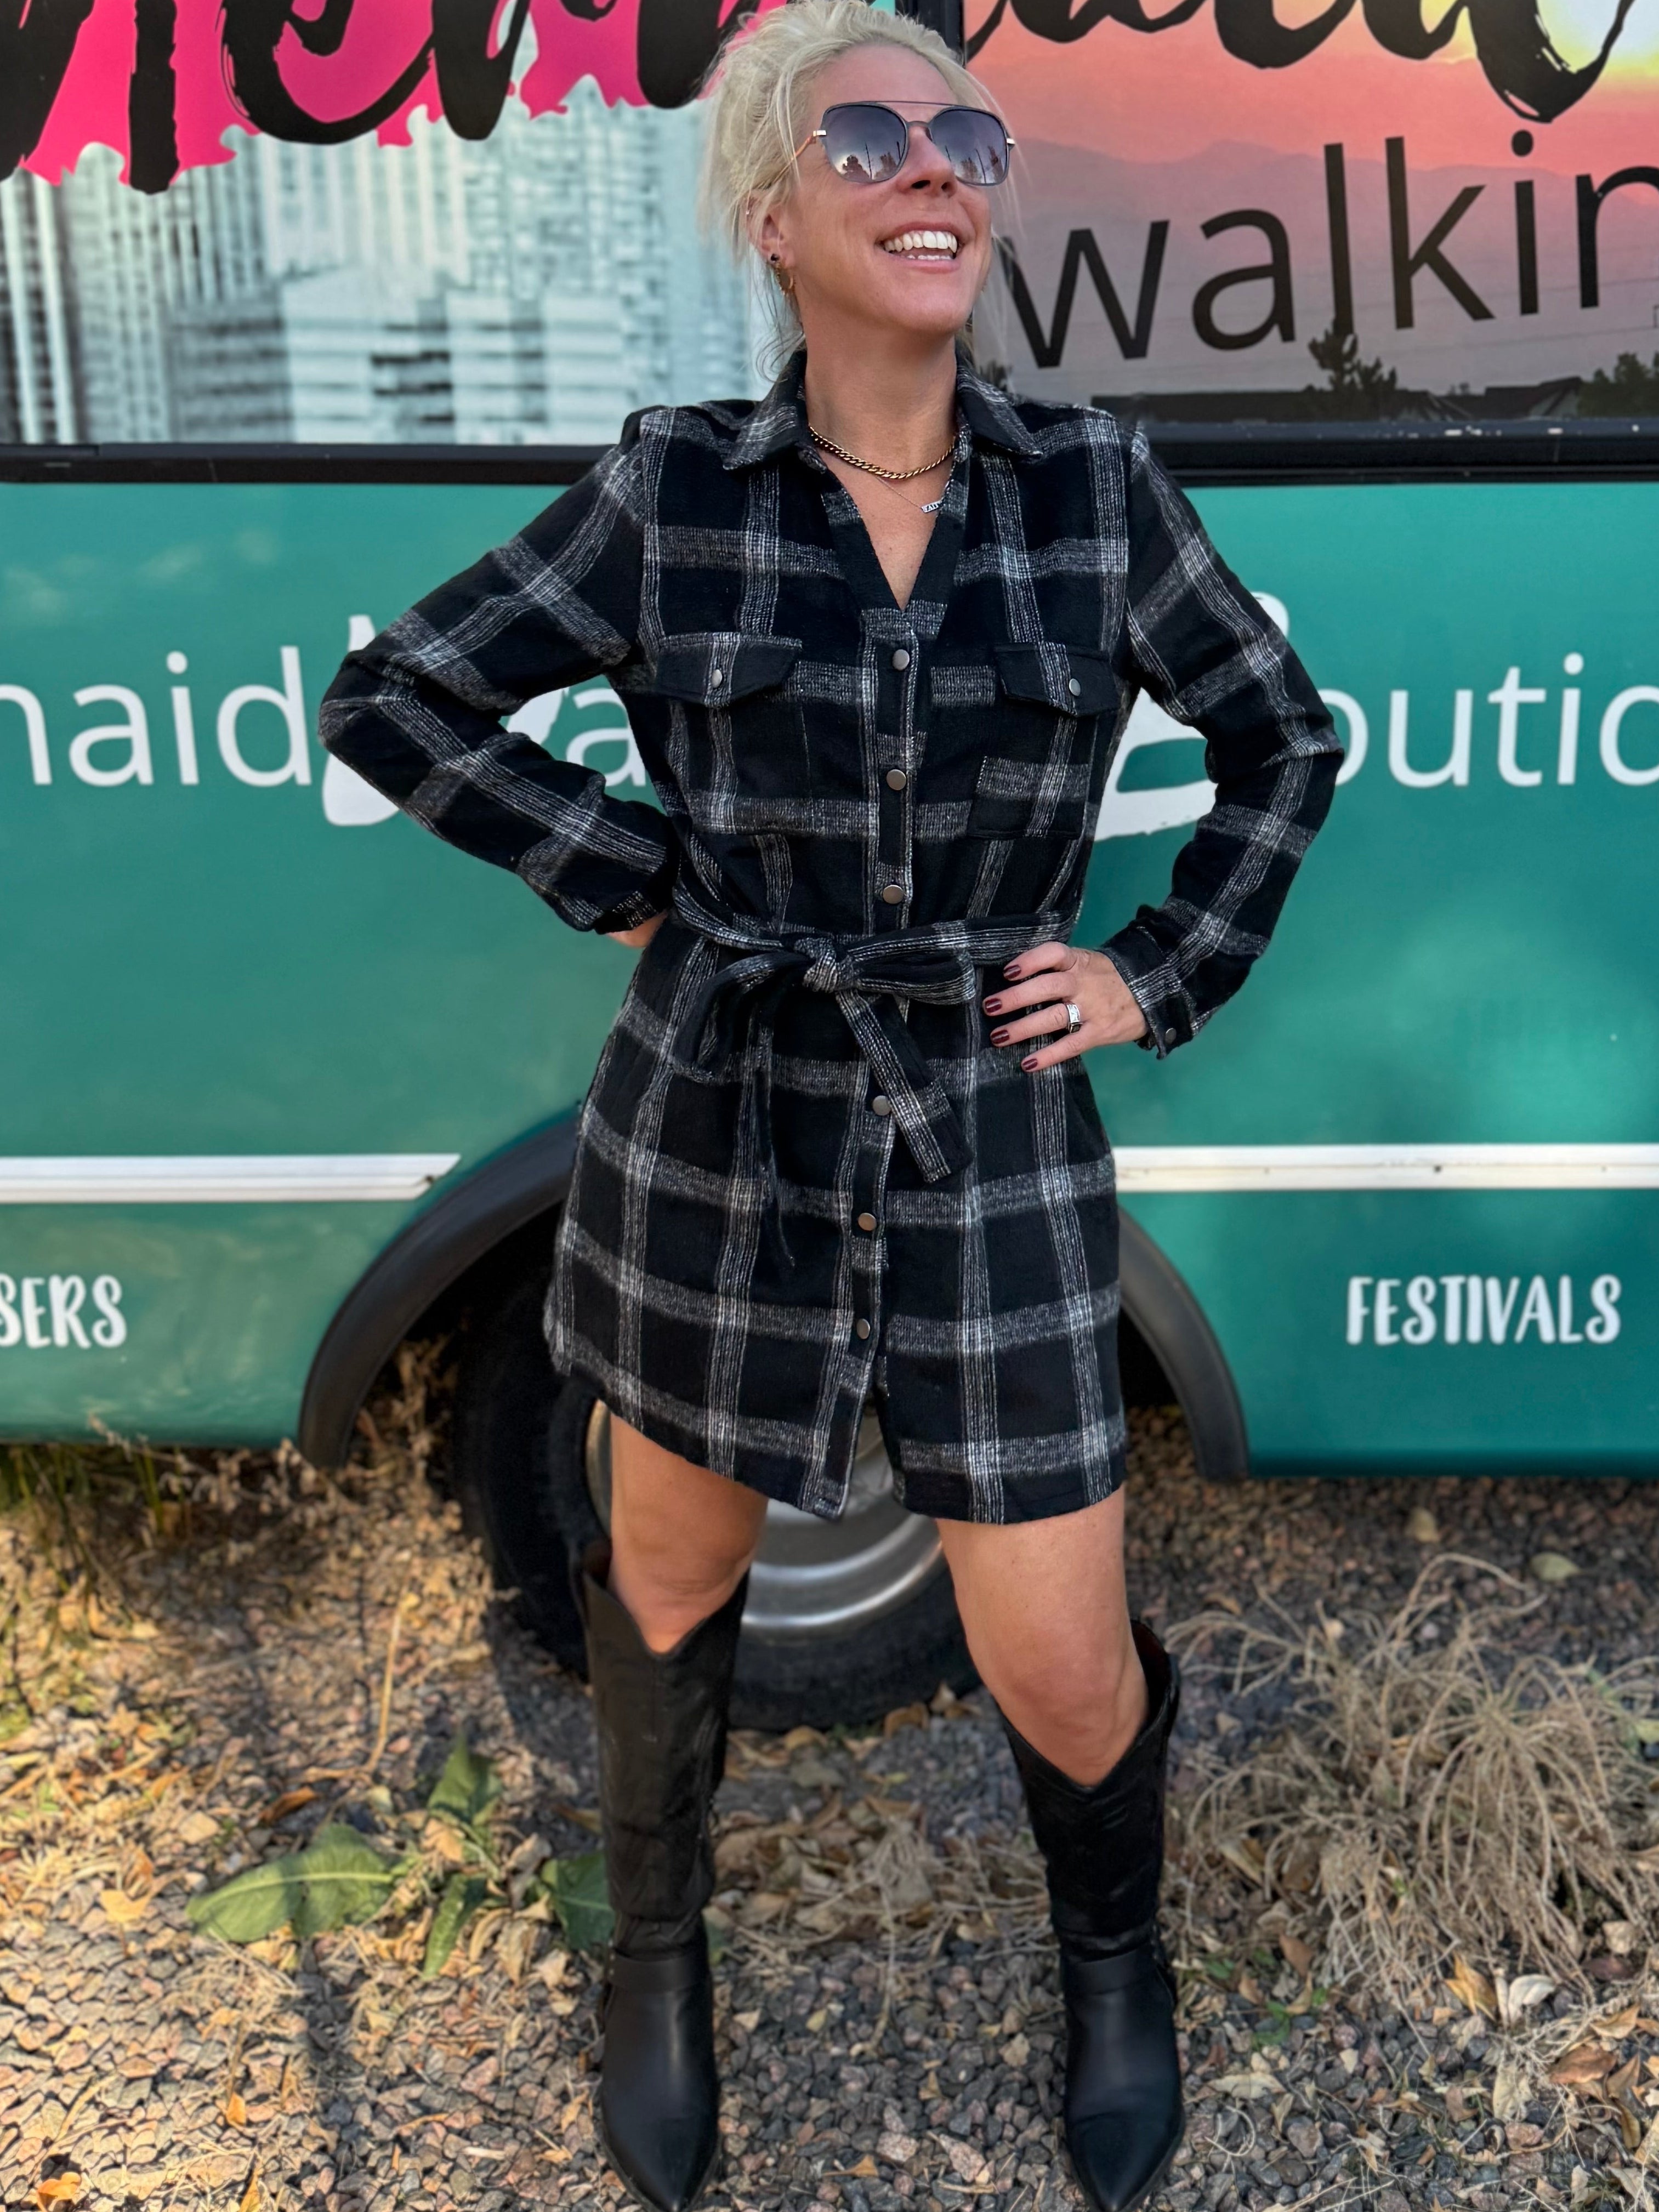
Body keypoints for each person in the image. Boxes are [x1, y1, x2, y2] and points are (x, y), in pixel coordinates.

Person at [320, 5, 1342, 2207]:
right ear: (774, 217)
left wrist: (1154, 970)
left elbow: (1286, 740)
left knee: (1060, 1655)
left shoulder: (1095, 489)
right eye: (869, 134)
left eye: (963, 131)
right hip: (718, 1125)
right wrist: (621, 873)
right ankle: (658, 1963)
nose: (934, 166)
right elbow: (392, 695)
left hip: (982, 1133)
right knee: (671, 1577)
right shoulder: (670, 489)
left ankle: (1111, 1965)